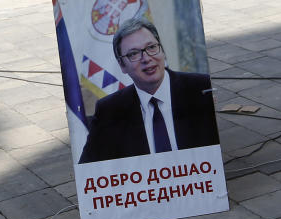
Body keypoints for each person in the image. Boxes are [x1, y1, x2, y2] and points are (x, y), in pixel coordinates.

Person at [78, 17, 220, 164]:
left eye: (151, 47)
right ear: (122, 66)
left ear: (162, 51)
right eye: (133, 54)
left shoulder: (200, 88)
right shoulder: (109, 110)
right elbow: (89, 169)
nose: (146, 58)